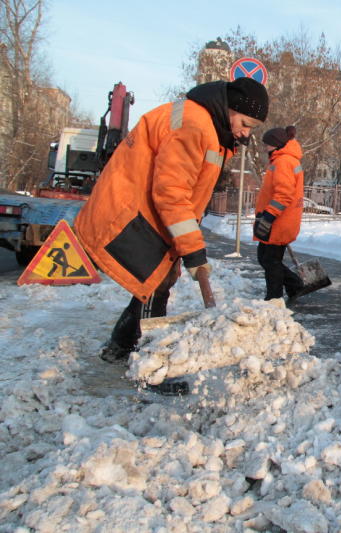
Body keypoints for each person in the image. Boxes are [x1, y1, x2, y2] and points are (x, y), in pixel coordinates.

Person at [75, 77, 269, 374]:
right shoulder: (195, 126)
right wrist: (193, 250)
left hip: (148, 211)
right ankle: (152, 367)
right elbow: (172, 192)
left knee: (154, 282)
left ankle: (120, 347)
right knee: (157, 283)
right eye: (245, 123)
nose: (245, 134)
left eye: (252, 128)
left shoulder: (208, 127)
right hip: (136, 211)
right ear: (230, 108)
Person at [253, 125, 306, 301]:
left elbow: (284, 194)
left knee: (271, 261)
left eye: (267, 144)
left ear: (275, 144)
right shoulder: (282, 160)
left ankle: (274, 298)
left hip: (278, 220)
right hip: (278, 219)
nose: (264, 147)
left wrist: (268, 216)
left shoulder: (284, 161)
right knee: (266, 258)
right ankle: (295, 284)